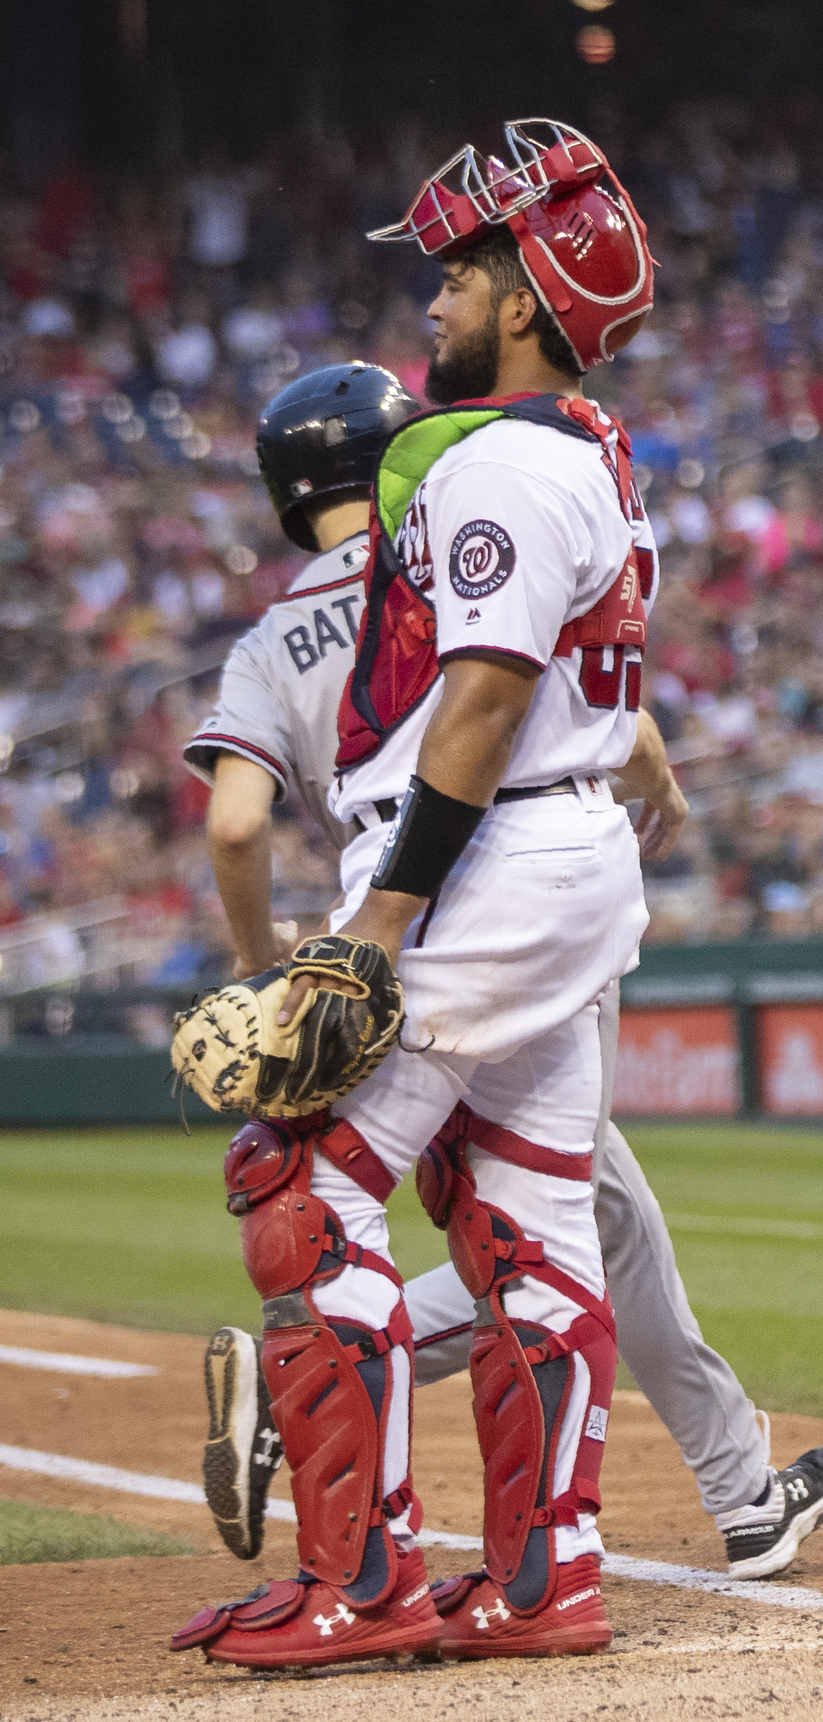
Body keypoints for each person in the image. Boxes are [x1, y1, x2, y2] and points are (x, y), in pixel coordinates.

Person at [184, 363, 823, 1599]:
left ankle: (736, 1487)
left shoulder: (273, 639)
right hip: (504, 892)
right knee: (560, 1220)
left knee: (568, 1213)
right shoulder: (432, 559)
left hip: (373, 910)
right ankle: (722, 1495)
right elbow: (544, 692)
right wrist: (646, 776)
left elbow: (233, 826)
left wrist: (258, 964)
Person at [170, 119, 678, 1670]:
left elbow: (475, 704)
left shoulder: (507, 464)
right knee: (528, 1220)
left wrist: (375, 923)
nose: (438, 299)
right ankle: (546, 1580)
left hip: (486, 862)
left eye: (461, 269)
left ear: (524, 294)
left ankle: (363, 1578)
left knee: (299, 1183)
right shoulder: (568, 451)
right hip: (549, 856)